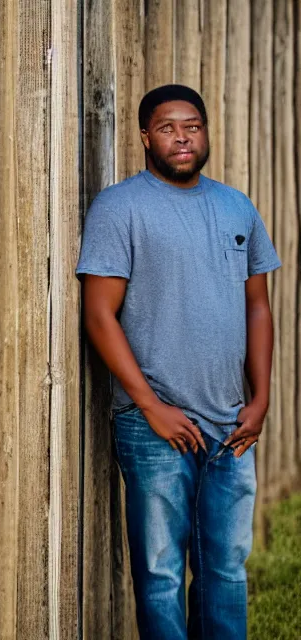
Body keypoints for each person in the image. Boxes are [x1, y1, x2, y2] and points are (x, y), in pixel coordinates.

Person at [76, 84, 281, 640]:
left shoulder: (236, 206)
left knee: (224, 571)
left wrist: (260, 400)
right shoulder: (120, 208)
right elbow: (99, 316)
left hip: (232, 426)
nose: (182, 136)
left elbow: (257, 307)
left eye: (192, 125)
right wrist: (152, 407)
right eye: (167, 127)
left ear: (206, 131)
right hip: (154, 427)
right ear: (145, 136)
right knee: (161, 575)